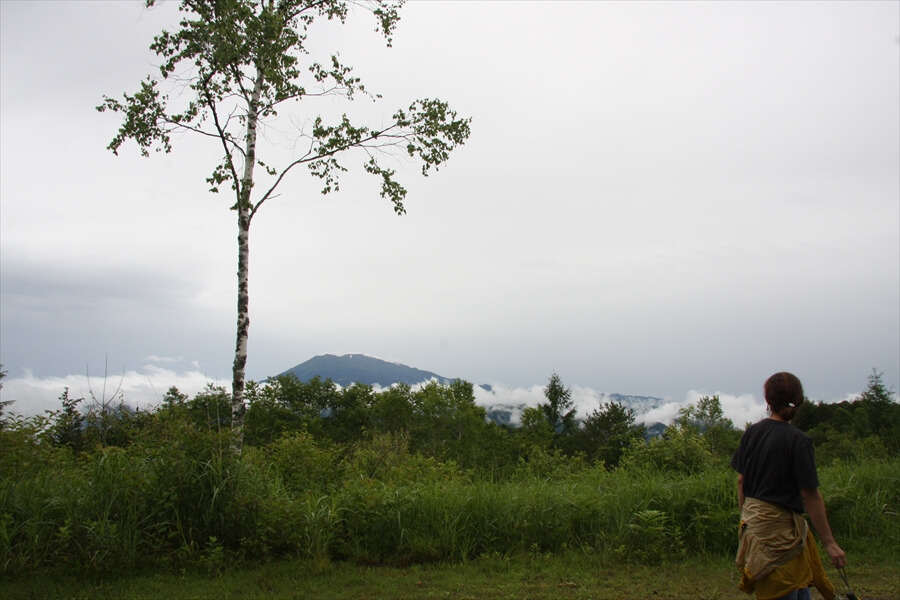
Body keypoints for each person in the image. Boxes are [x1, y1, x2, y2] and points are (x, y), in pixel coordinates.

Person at [731, 372, 847, 600]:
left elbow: (741, 481)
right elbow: (809, 494)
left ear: (768, 401)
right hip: (785, 535)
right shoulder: (799, 440)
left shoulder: (752, 433)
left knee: (795, 589)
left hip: (756, 528)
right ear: (799, 401)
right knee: (794, 587)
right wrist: (830, 543)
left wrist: (747, 518)